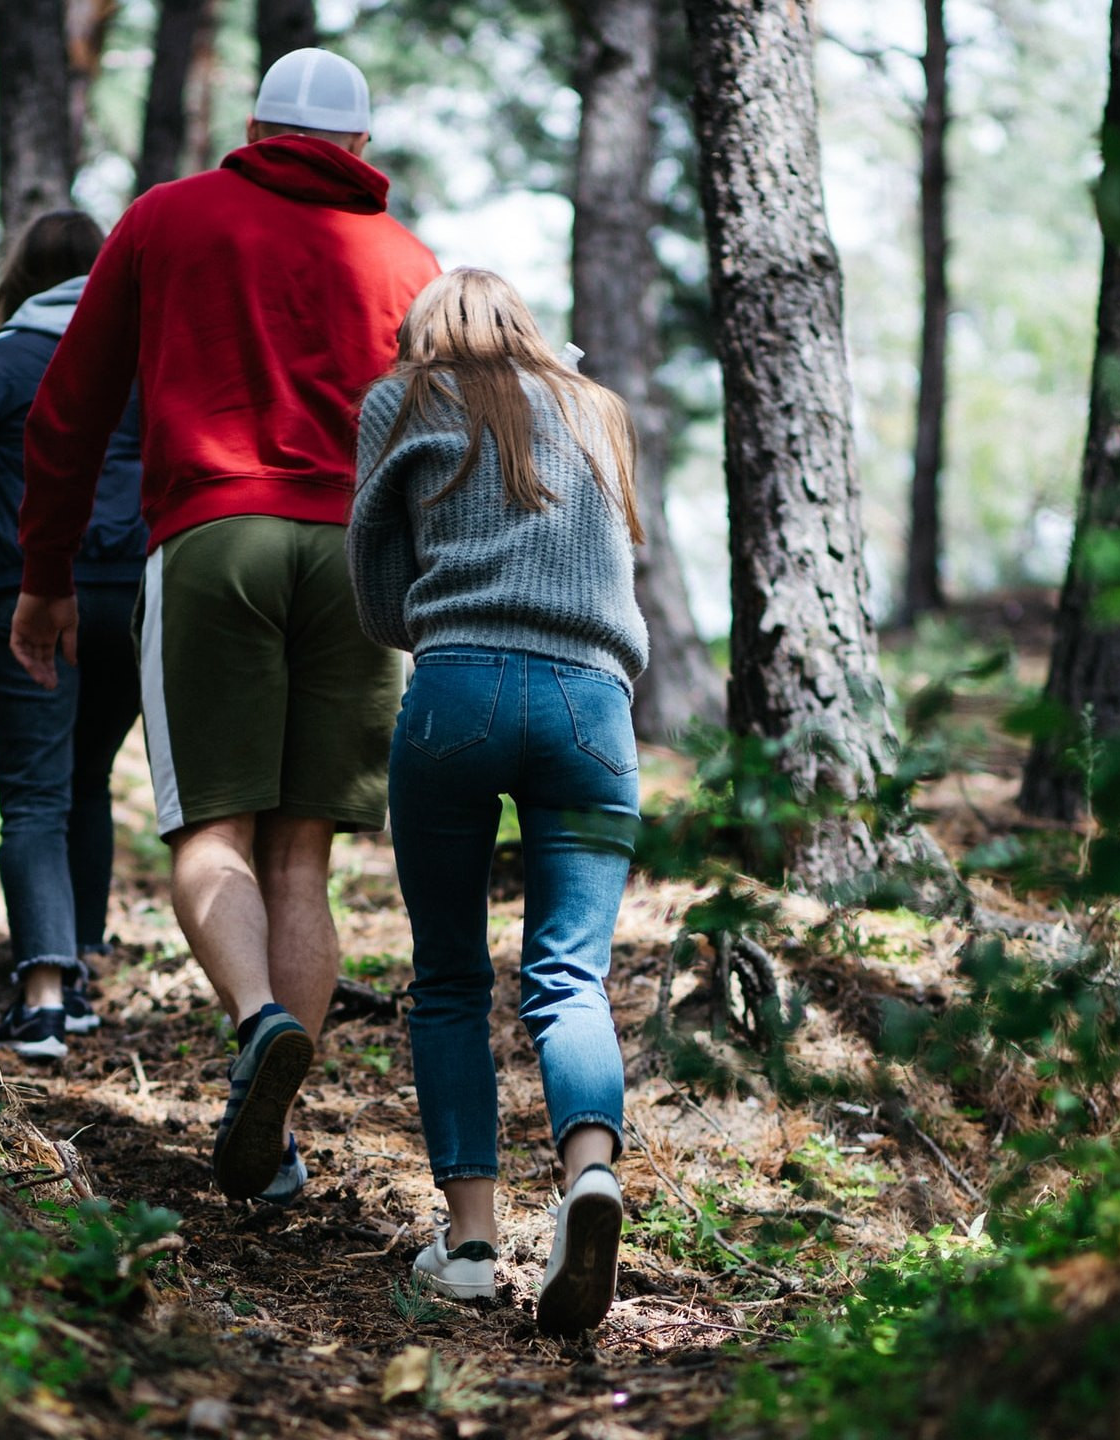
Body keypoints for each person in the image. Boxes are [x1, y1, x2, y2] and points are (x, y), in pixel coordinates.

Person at [10, 48, 441, 1204]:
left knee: (213, 834)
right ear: (360, 146)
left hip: (215, 540)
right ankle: (277, 1132)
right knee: (303, 856)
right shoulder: (410, 259)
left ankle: (258, 1024)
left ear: (254, 126)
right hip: (356, 563)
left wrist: (45, 572)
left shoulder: (169, 218)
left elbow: (71, 406)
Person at [347, 268, 648, 1335]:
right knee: (572, 975)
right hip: (594, 710)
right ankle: (590, 1182)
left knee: (448, 981)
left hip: (459, 689)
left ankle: (471, 1248)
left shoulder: (403, 400)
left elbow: (379, 595)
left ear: (424, 332)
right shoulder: (595, 408)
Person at [0, 209, 148, 1063]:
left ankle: (42, 1000)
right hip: (135, 597)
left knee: (38, 793)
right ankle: (77, 972)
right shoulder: (143, 361)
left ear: (21, 276)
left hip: (28, 599)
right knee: (87, 777)